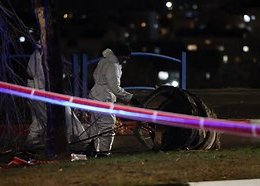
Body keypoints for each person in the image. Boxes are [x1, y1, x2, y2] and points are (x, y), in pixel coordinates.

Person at [26, 40, 88, 150]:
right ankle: (75, 139)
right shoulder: (40, 58)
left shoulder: (37, 56)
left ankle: (32, 142)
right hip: (41, 92)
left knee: (39, 118)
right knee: (62, 114)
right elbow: (44, 77)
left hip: (36, 92)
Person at [87, 44, 139, 158]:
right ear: (120, 56)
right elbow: (115, 88)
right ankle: (104, 153)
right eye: (124, 59)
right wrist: (130, 98)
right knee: (108, 125)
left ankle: (93, 150)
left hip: (95, 94)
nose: (124, 62)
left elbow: (96, 77)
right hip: (103, 98)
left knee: (95, 127)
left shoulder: (104, 60)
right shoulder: (113, 65)